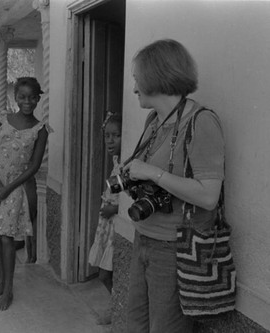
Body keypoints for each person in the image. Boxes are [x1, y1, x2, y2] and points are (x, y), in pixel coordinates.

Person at [123, 39, 224, 333]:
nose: (134, 88)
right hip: (144, 236)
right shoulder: (155, 120)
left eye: (137, 79)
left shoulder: (201, 121)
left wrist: (152, 173)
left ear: (156, 77)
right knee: (136, 324)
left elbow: (208, 197)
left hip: (176, 247)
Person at [0, 77, 50, 312]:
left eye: (32, 97)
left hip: (14, 187)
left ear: (38, 98)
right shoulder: (3, 121)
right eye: (22, 97)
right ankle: (1, 282)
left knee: (8, 237)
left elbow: (34, 167)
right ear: (15, 97)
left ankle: (8, 291)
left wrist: (9, 188)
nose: (27, 101)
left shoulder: (40, 129)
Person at [88, 113, 122, 325]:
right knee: (106, 273)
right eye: (107, 135)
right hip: (107, 226)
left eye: (116, 136)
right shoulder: (117, 161)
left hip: (117, 227)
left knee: (106, 275)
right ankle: (118, 307)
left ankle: (117, 309)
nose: (110, 140)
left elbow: (131, 198)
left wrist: (114, 208)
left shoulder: (129, 164)